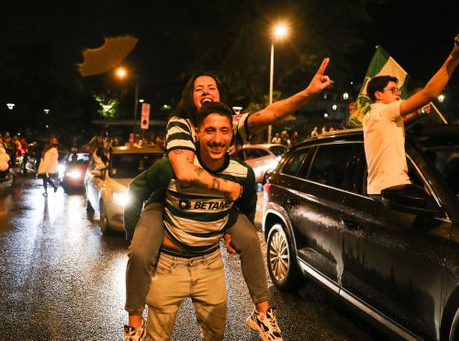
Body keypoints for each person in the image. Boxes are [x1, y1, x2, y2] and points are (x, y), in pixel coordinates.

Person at [123, 58, 333, 340]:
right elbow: (183, 172)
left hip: (218, 199)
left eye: (212, 87)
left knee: (248, 238)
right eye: (199, 88)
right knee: (140, 251)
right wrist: (224, 185)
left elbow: (270, 114)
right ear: (191, 100)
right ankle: (135, 325)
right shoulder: (182, 124)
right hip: (172, 197)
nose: (206, 91)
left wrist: (307, 93)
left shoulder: (231, 123)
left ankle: (263, 315)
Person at [125, 103, 257, 340]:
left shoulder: (243, 174)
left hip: (210, 267)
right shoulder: (173, 167)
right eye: (210, 131)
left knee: (215, 337)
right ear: (196, 132)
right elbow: (135, 190)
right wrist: (134, 238)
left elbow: (244, 211)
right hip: (168, 266)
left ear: (232, 134)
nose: (217, 139)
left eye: (224, 131)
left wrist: (232, 236)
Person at [363, 29, 459, 197]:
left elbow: (400, 120)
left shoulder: (372, 116)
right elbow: (428, 93)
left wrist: (417, 113)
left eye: (398, 90)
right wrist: (456, 54)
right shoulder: (386, 112)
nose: (399, 93)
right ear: (378, 95)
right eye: (393, 90)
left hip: (380, 191)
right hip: (393, 191)